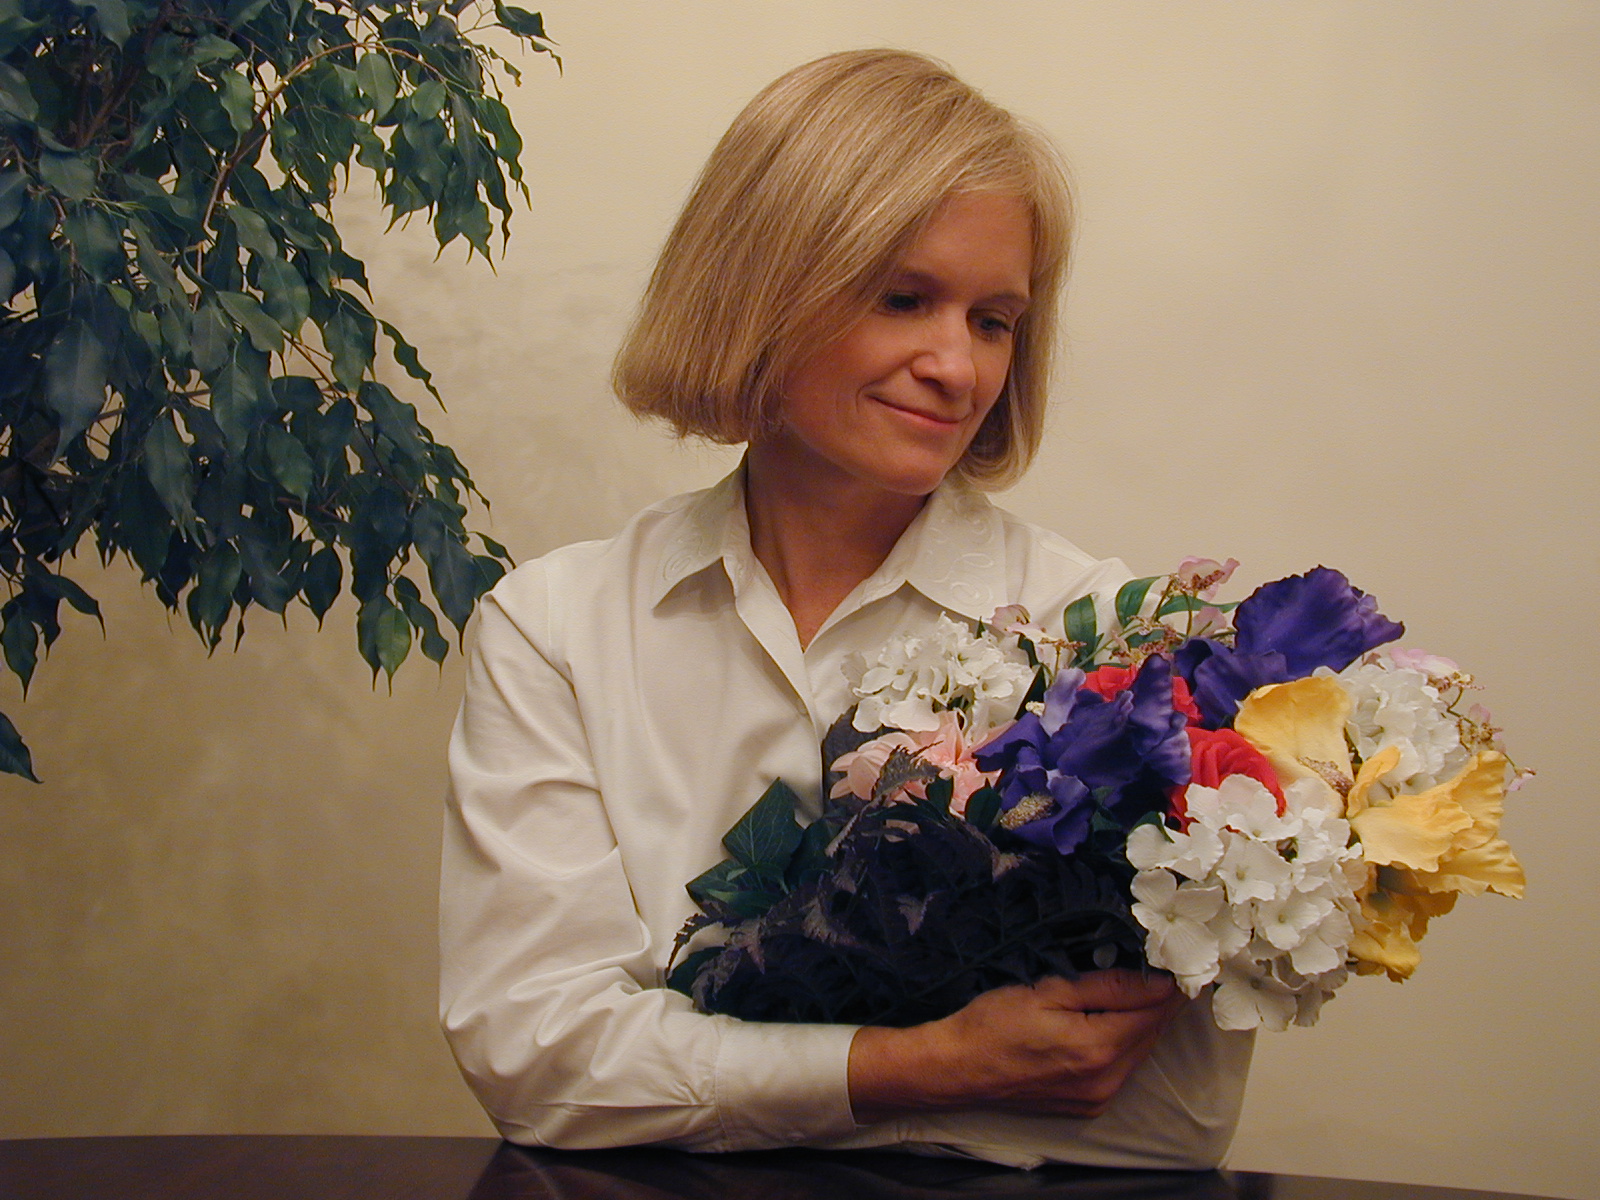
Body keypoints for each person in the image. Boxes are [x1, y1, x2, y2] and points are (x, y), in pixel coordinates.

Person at [440, 49, 1253, 1169]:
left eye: (994, 320)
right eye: (903, 299)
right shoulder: (557, 627)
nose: (958, 368)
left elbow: (1167, 1120)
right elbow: (535, 1057)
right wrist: (932, 1068)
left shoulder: (1111, 644)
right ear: (758, 287)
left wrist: (696, 1082)